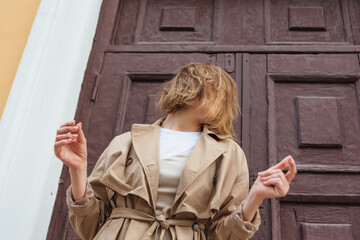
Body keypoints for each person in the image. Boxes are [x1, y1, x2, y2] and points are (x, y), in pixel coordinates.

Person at [54, 63, 297, 240]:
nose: (218, 98)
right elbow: (90, 227)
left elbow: (222, 235)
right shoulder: (126, 142)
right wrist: (77, 169)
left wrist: (255, 197)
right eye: (210, 86)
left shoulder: (228, 154)